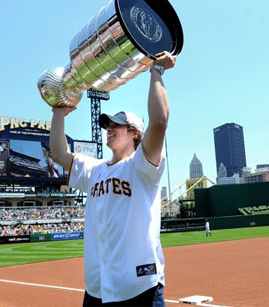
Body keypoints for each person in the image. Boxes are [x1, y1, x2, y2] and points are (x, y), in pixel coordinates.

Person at [50, 51, 176, 306]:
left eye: (116, 125)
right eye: (107, 125)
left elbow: (160, 121)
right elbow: (59, 153)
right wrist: (59, 114)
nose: (109, 129)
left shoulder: (143, 164)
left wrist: (156, 71)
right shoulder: (94, 169)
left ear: (134, 133)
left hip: (140, 287)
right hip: (97, 288)